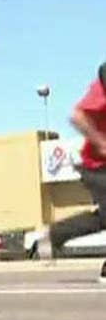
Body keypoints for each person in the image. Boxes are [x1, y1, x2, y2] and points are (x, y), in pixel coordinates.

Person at [39, 63, 106, 284]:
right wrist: (101, 143)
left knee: (103, 218)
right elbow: (77, 116)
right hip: (96, 166)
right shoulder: (100, 90)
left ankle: (55, 234)